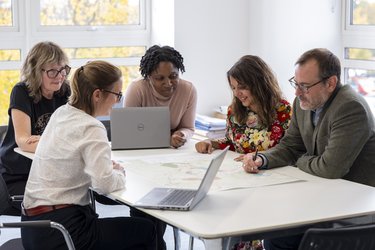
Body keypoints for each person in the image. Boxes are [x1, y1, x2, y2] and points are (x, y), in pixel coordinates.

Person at [242, 48, 375, 250]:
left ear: (330, 83)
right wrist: (263, 159)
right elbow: (290, 145)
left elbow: (330, 168)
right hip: (323, 199)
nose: (296, 92)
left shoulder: (350, 107)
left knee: (281, 237)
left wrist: (299, 159)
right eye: (296, 83)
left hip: (353, 212)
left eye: (304, 86)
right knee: (275, 236)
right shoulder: (302, 103)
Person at [21, 60, 156, 250]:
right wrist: (119, 173)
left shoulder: (61, 113)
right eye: (117, 94)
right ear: (97, 95)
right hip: (62, 231)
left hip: (33, 228)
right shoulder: (92, 127)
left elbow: (73, 165)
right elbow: (104, 184)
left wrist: (104, 169)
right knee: (147, 230)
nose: (119, 101)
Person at [0, 41, 71, 215]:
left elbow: (72, 136)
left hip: (48, 173)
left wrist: (45, 141)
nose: (60, 76)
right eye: (52, 71)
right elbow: (24, 141)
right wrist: (57, 143)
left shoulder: (65, 91)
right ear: (35, 71)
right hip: (18, 174)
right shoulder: (22, 91)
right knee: (67, 202)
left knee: (81, 195)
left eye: (63, 69)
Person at [195, 55, 292, 155]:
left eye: (242, 87)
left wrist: (261, 158)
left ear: (259, 85)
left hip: (272, 169)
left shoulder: (283, 109)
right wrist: (210, 142)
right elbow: (231, 143)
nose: (236, 93)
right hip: (241, 168)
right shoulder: (233, 110)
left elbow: (290, 149)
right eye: (233, 88)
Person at [124, 45, 197, 149]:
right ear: (149, 77)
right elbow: (129, 130)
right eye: (159, 78)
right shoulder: (137, 89)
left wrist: (181, 135)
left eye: (173, 76)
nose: (168, 83)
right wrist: (165, 139)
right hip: (141, 148)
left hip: (171, 151)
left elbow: (188, 128)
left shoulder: (188, 90)